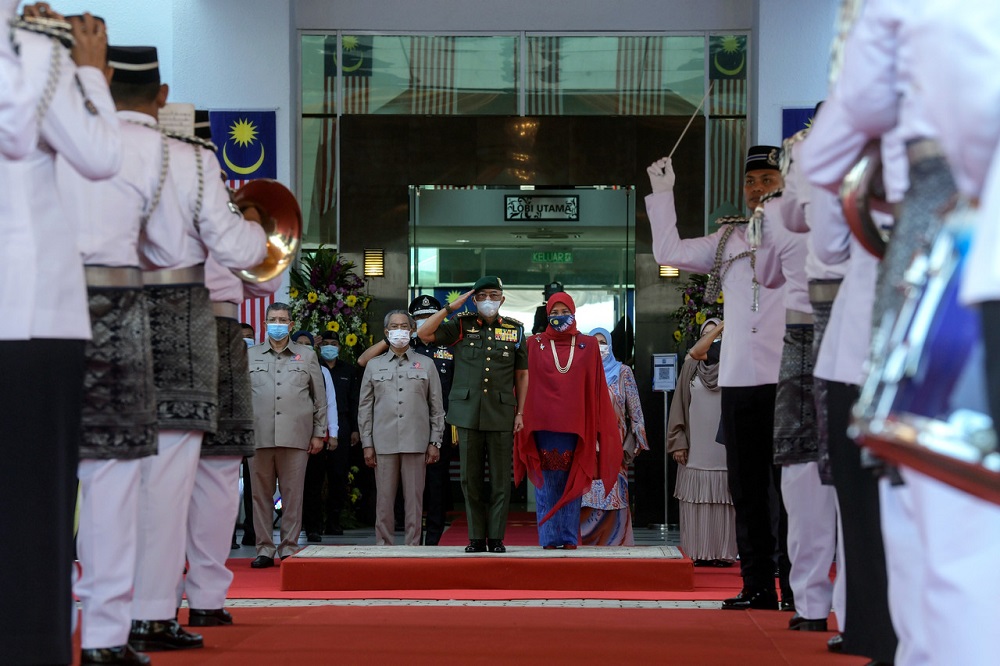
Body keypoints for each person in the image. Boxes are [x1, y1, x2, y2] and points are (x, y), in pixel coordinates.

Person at [118, 43, 266, 654]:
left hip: (125, 320)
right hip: (194, 327)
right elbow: (255, 262)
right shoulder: (198, 171)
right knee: (189, 471)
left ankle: (155, 601)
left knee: (131, 472)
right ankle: (171, 601)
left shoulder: (99, 155)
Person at [0, 8, 122, 665]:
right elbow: (97, 152)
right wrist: (71, 61)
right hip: (30, 314)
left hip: (32, 312)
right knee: (35, 509)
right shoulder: (27, 54)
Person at [55, 37, 173, 666]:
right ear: (160, 95)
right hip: (119, 312)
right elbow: (171, 246)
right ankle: (103, 635)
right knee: (113, 478)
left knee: (39, 472)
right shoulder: (156, 149)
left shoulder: (38, 120)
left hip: (38, 307)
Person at [646, 147, 791, 611]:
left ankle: (795, 589)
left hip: (788, 375)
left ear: (785, 182)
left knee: (788, 491)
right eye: (752, 182)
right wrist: (664, 192)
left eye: (767, 179)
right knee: (745, 488)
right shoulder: (729, 238)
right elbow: (668, 252)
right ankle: (755, 586)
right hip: (740, 377)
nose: (758, 190)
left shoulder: (802, 234)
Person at [175, 111, 284, 629]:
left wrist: (254, 225)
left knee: (216, 473)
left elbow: (264, 285)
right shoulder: (190, 197)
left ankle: (204, 595)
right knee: (183, 473)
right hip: (189, 324)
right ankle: (179, 593)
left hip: (215, 332)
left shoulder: (222, 202)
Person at [417, 276, 528, 553]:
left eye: (494, 295)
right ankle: (477, 537)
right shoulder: (460, 325)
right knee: (470, 478)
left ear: (502, 299)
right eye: (482, 296)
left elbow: (522, 374)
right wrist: (449, 308)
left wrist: (521, 412)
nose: (488, 300)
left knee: (501, 479)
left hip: (501, 412)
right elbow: (424, 334)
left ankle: (497, 538)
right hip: (466, 412)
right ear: (475, 299)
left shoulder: (515, 330)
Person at [514, 293, 621, 549]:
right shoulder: (534, 343)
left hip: (576, 428)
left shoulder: (588, 345)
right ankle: (549, 538)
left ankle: (570, 538)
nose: (559, 315)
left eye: (564, 310)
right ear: (548, 313)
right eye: (555, 310)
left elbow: (595, 388)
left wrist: (597, 426)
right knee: (547, 484)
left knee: (572, 484)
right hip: (543, 427)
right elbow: (522, 382)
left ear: (573, 312)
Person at [359, 294, 458, 544]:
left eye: (404, 327)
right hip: (383, 442)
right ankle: (384, 546)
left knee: (415, 500)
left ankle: (413, 548)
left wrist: (435, 442)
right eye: (394, 327)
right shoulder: (374, 365)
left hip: (416, 441)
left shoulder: (426, 364)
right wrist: (367, 443)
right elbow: (365, 408)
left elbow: (437, 407)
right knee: (384, 500)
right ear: (386, 332)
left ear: (413, 330)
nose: (399, 331)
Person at [247, 302, 329, 568]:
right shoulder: (250, 355)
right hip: (259, 437)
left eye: (283, 320)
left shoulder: (307, 355)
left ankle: (288, 547)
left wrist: (319, 433)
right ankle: (264, 548)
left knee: (293, 494)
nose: (278, 324)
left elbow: (320, 398)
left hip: (296, 436)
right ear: (265, 323)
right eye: (273, 319)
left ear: (291, 325)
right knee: (261, 495)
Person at [667, 318, 737, 566]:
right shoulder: (690, 367)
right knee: (695, 500)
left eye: (716, 335)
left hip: (726, 446)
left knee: (726, 500)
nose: (711, 339)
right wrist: (678, 441)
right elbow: (678, 405)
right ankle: (698, 552)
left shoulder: (734, 365)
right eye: (705, 334)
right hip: (696, 445)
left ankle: (724, 553)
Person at [580, 326, 648, 546]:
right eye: (595, 342)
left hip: (614, 445)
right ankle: (590, 545)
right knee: (588, 496)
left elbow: (634, 408)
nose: (599, 347)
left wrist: (638, 436)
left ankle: (618, 544)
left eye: (603, 342)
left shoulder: (623, 372)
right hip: (588, 446)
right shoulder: (582, 372)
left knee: (615, 494)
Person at [304, 331, 360, 539]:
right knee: (314, 478)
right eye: (325, 343)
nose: (329, 347)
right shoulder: (313, 367)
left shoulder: (348, 370)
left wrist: (355, 428)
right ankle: (313, 524)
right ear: (318, 347)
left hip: (341, 426)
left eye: (333, 343)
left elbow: (354, 401)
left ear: (340, 347)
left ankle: (334, 520)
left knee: (338, 476)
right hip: (314, 428)